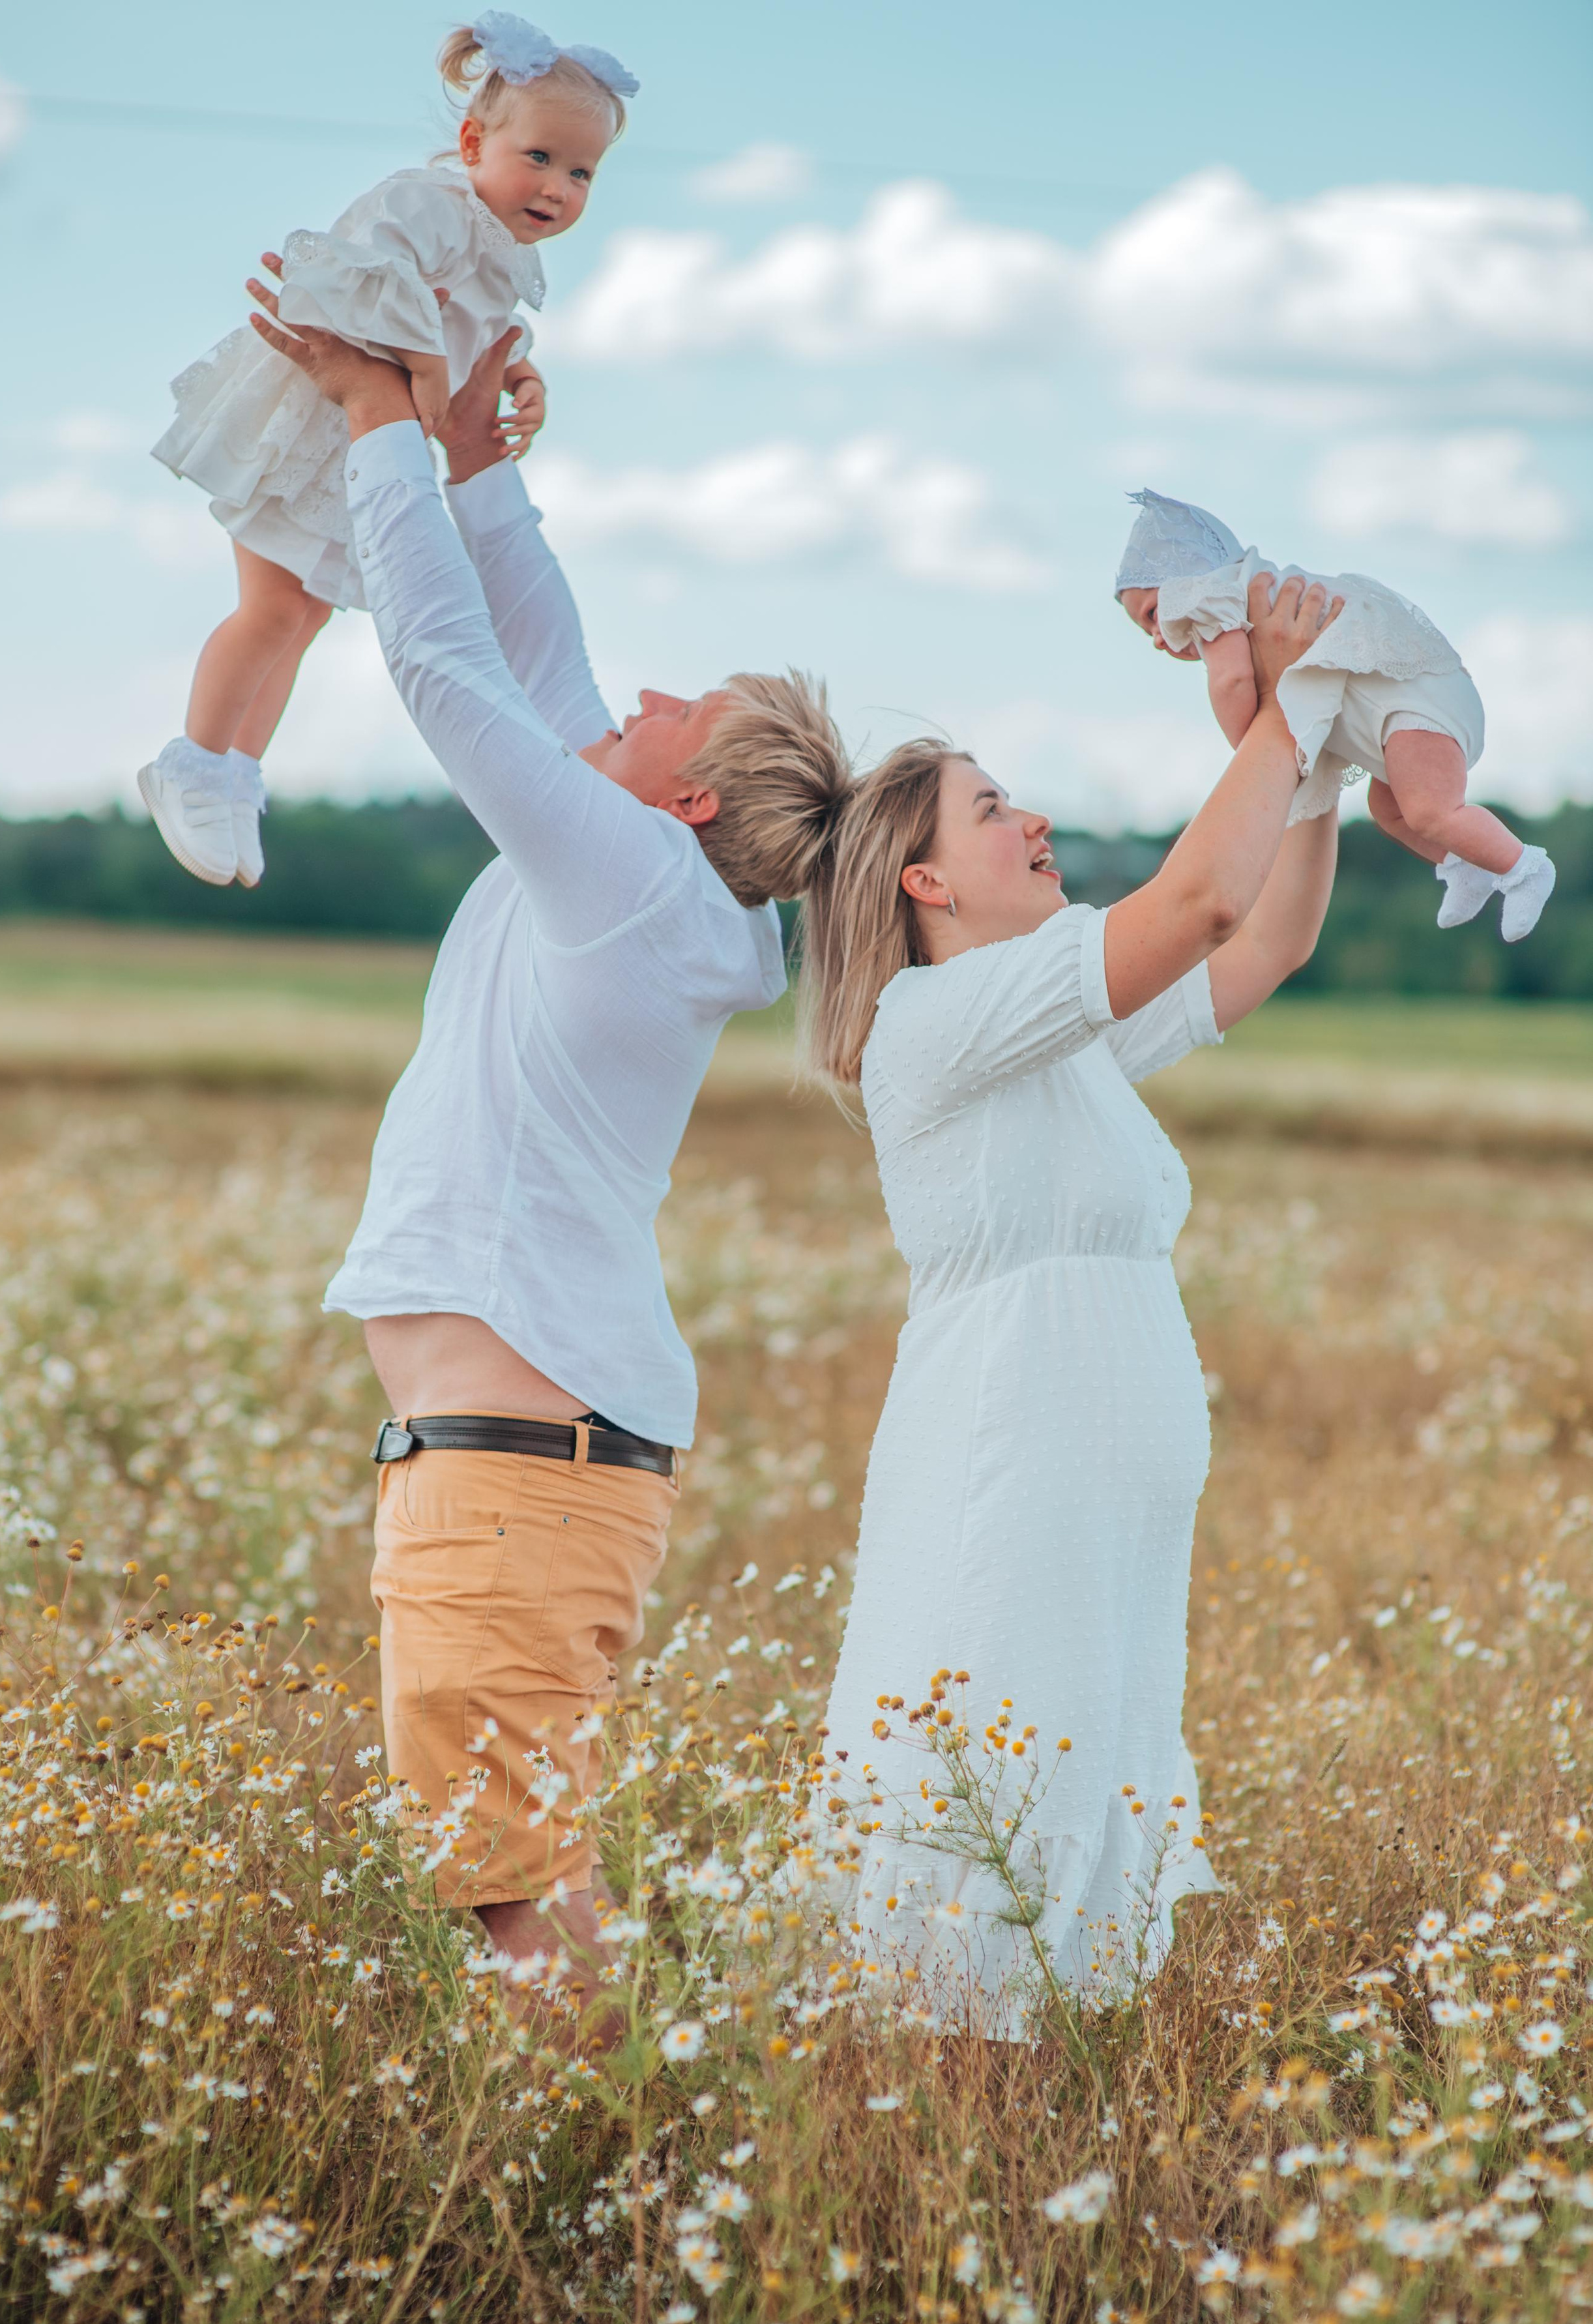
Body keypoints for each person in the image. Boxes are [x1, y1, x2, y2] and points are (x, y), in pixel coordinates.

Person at [243, 277, 853, 2035]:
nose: (643, 688)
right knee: (522, 1869)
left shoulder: (633, 880)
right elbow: (547, 655)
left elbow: (448, 665)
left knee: (516, 1891)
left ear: (680, 802)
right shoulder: (666, 882)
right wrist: (474, 464)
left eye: (686, 705)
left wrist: (376, 424)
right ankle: (625, 2162)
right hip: (531, 1455)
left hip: (516, 1465)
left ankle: (605, 2189)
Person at [803, 570, 1345, 2037]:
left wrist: (1320, 756)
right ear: (921, 884)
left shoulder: (1057, 1031)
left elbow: (1266, 939)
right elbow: (1197, 897)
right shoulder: (930, 1025)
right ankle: (917, 2171)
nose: (1029, 820)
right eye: (990, 811)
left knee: (1067, 1808)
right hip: (1011, 1477)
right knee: (987, 1814)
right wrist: (1277, 712)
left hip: (1103, 1517)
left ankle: (987, 2164)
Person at [139, 12, 637, 890]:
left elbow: (478, 343)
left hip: (364, 449)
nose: (558, 186)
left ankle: (238, 772)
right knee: (267, 611)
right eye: (540, 158)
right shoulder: (428, 206)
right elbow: (350, 275)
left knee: (303, 617)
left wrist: (520, 378)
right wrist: (422, 361)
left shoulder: (505, 255)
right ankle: (192, 759)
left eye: (582, 172)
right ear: (474, 140)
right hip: (311, 433)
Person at [1115, 488, 1555, 941]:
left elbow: (1232, 682)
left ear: (1181, 584)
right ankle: (1464, 865)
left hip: (1413, 700)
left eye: (1152, 615)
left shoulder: (1206, 599)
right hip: (1402, 708)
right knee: (1389, 811)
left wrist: (1249, 750)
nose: (1158, 638)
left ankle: (1523, 868)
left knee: (1428, 811)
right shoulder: (1240, 594)